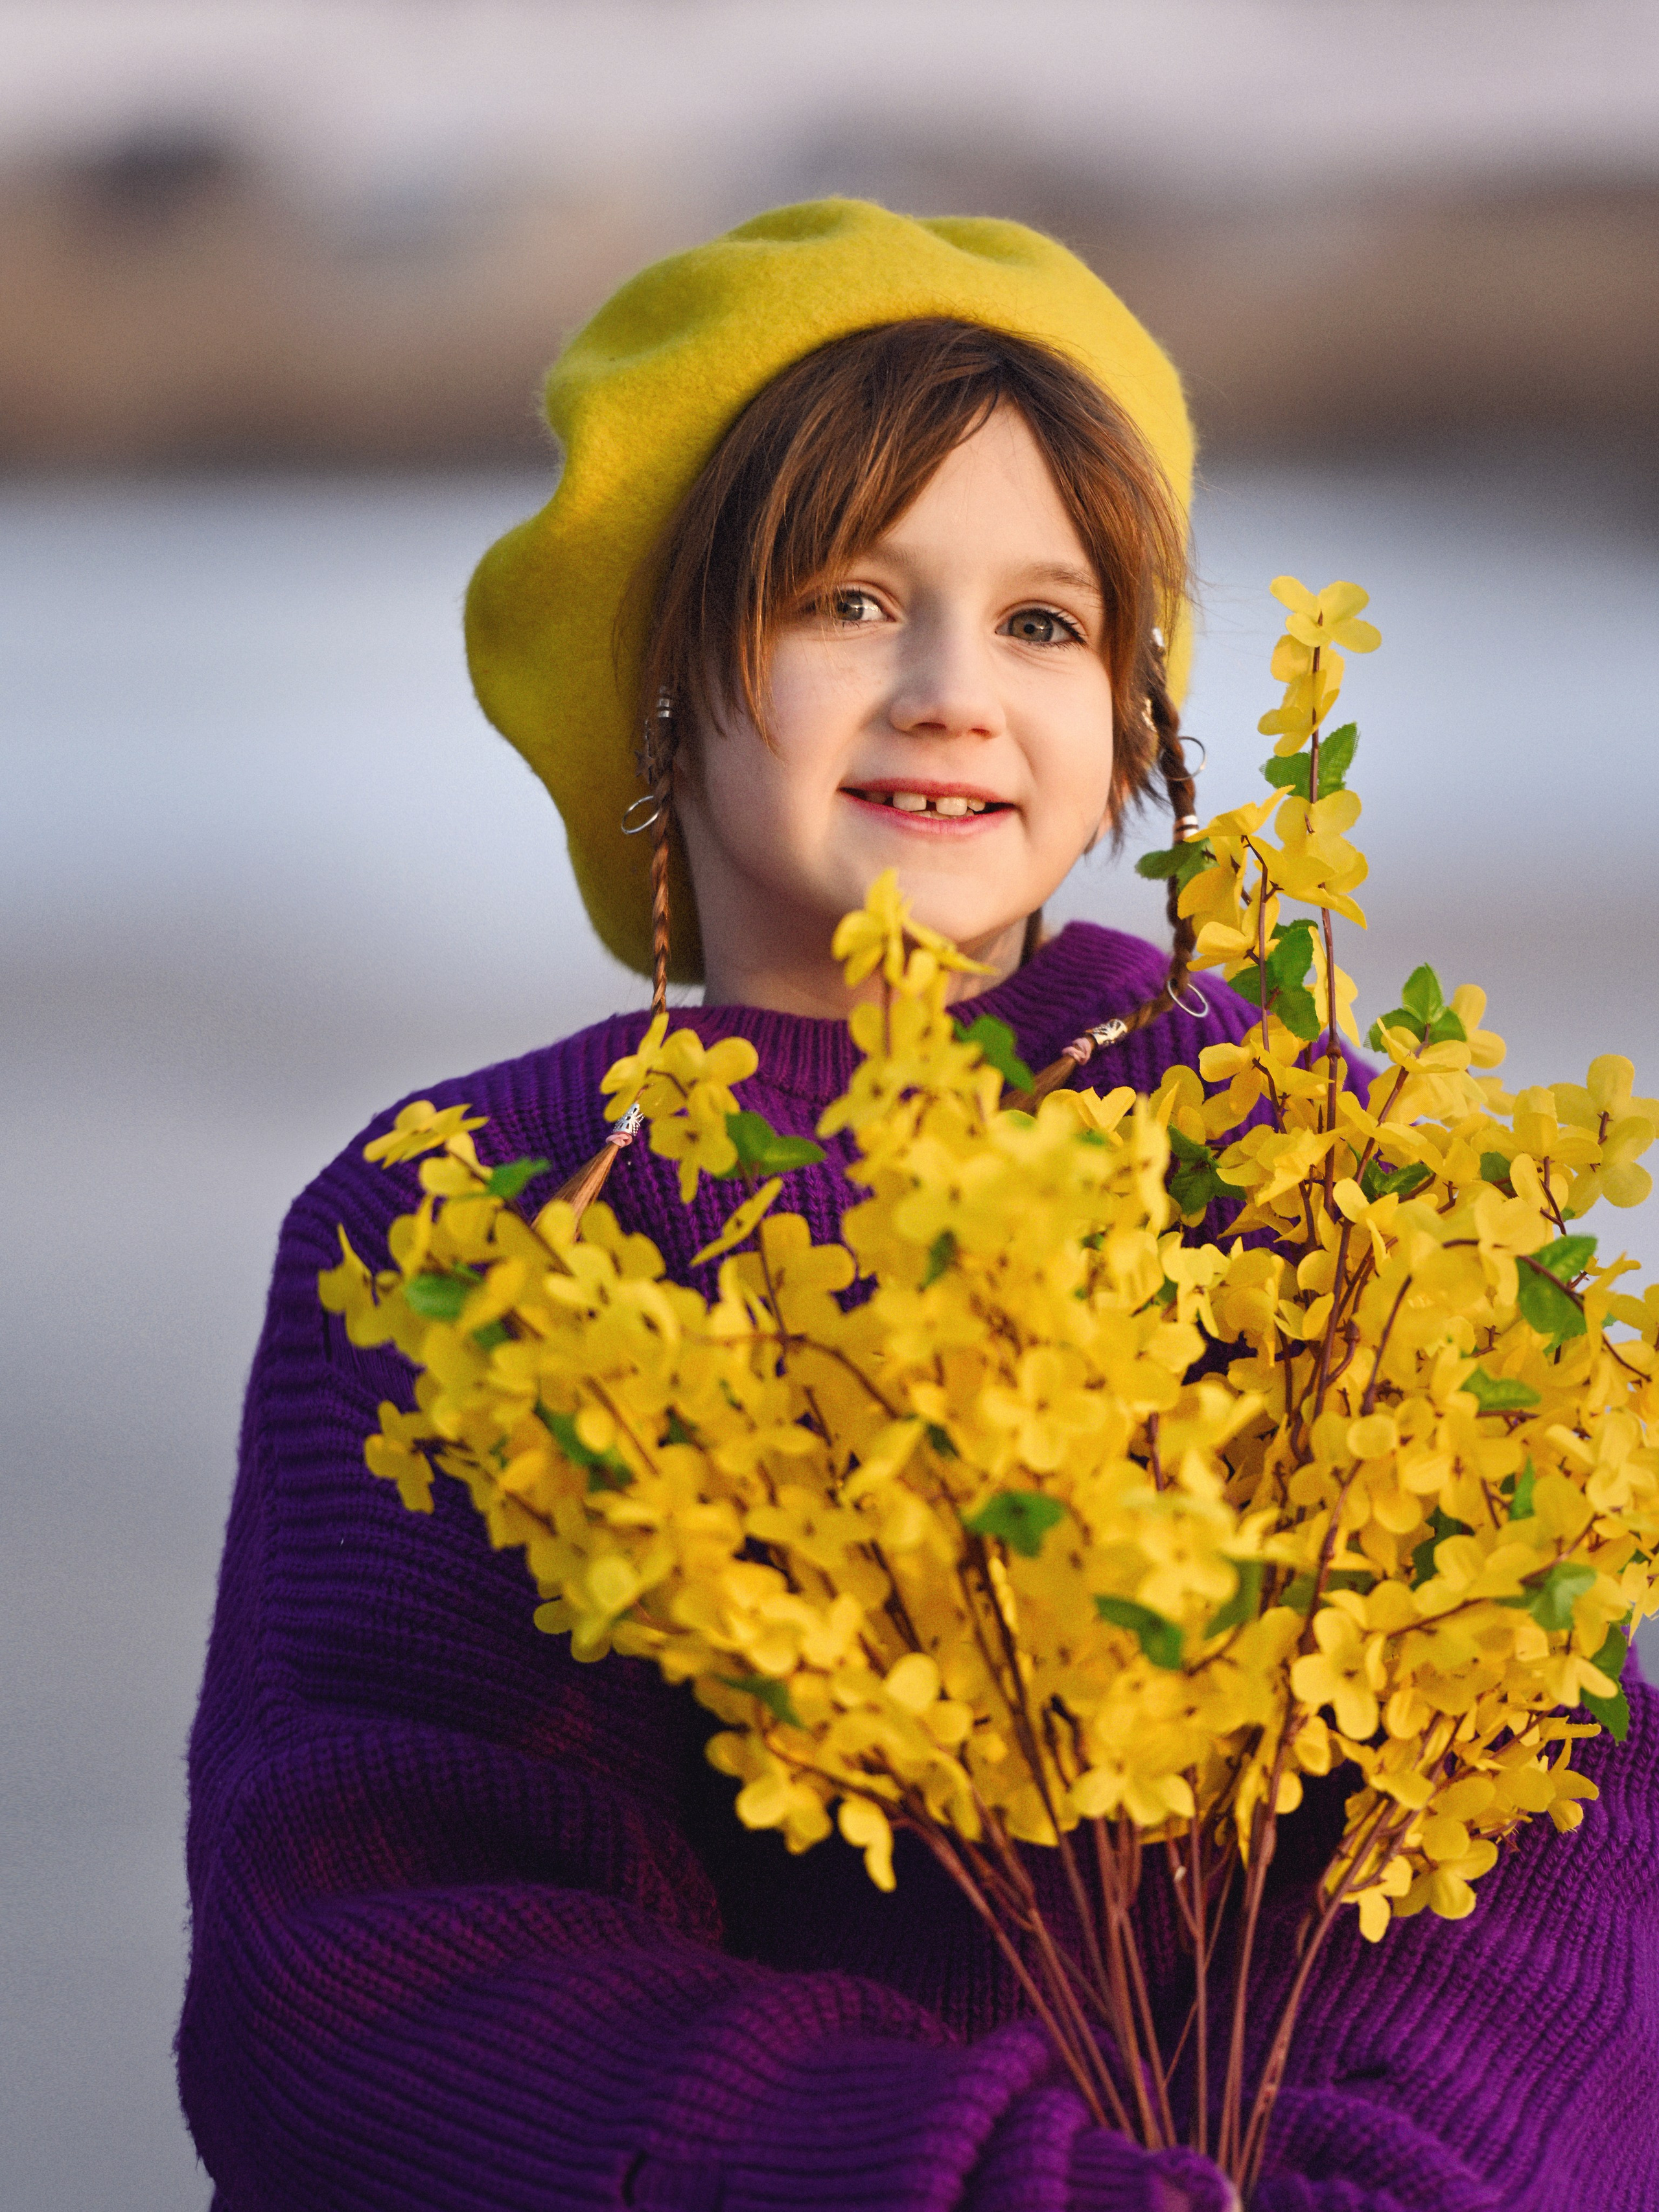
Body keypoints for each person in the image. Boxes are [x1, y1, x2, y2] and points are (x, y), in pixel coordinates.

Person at [178, 200, 1656, 2211]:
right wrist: (999, 2188)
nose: (955, 688)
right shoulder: (470, 1236)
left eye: (1049, 622)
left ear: (1135, 711)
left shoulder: (1323, 1169)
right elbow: (368, 1971)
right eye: (847, 600)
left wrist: (1411, 2181)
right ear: (658, 683)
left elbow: (1559, 1792)